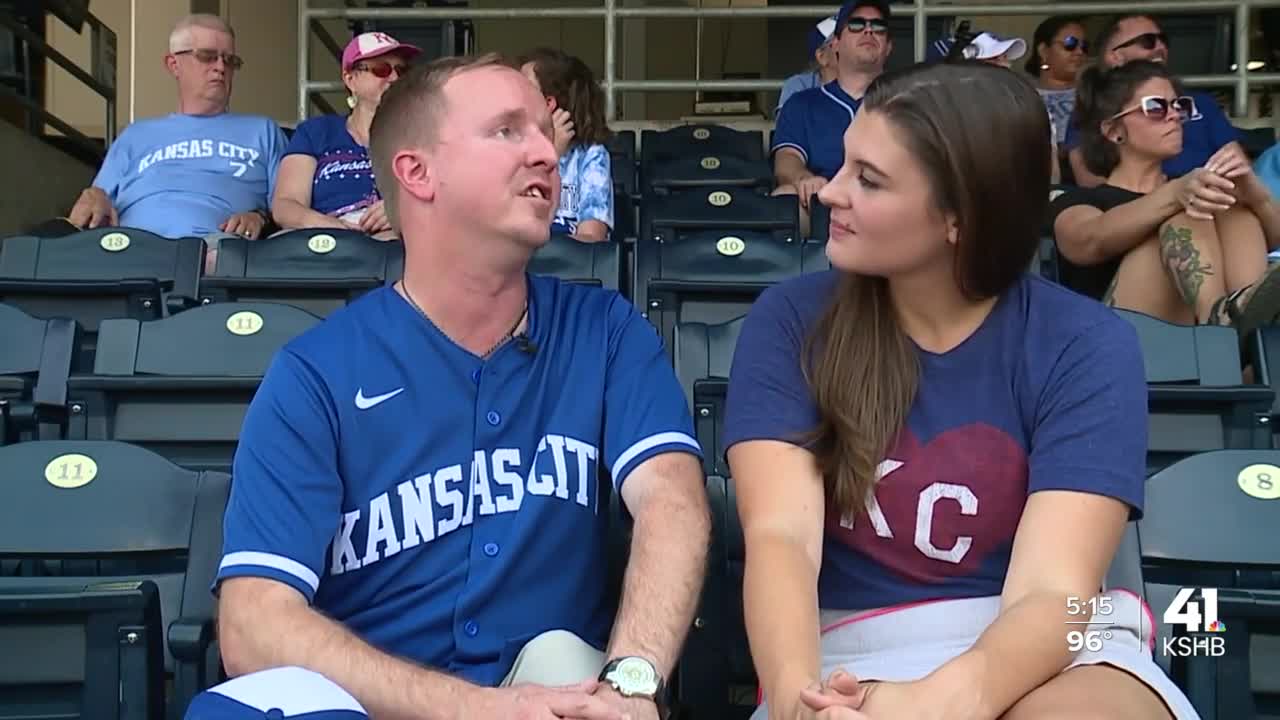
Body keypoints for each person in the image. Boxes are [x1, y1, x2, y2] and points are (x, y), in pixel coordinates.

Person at [188, 54, 710, 719]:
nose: (546, 153)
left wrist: (631, 683)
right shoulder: (315, 372)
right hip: (372, 699)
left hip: (551, 691)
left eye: (545, 133)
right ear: (417, 172)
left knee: (574, 670)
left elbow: (673, 503)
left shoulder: (606, 331)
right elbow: (253, 623)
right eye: (507, 131)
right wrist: (469, 708)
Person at [724, 61, 1198, 720]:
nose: (830, 192)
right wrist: (797, 699)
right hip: (846, 650)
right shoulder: (790, 321)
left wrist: (936, 703)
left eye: (869, 179)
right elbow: (781, 540)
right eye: (842, 166)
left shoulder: (1084, 343)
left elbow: (1054, 593)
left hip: (1049, 649)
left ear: (958, 216)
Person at [1050, 61, 1280, 330]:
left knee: (1231, 207)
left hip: (1198, 349)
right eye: (1156, 107)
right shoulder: (1079, 198)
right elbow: (1086, 242)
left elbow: (1273, 243)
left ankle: (1244, 334)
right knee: (1188, 212)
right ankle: (1220, 323)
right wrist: (1175, 194)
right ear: (1113, 131)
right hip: (1116, 347)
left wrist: (1257, 198)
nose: (1173, 116)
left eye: (1179, 106)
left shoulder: (1193, 189)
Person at [65, 14, 285, 249]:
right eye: (207, 57)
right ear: (173, 64)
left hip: (217, 252)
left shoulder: (263, 131)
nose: (220, 67)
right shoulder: (135, 135)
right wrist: (95, 194)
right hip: (130, 249)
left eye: (230, 61)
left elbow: (287, 208)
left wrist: (259, 218)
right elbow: (97, 201)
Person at [270, 32, 421, 240]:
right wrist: (332, 228)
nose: (394, 78)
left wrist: (401, 209)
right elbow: (285, 205)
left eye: (401, 70)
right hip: (324, 243)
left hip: (394, 245)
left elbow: (447, 195)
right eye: (381, 69)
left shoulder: (422, 134)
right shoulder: (316, 131)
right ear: (350, 79)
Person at [1067, 14, 1243, 188]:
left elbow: (1237, 165)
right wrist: (1168, 198)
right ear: (1116, 56)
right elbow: (1090, 182)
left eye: (1163, 40)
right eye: (1147, 41)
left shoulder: (1203, 102)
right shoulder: (1092, 106)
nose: (1160, 47)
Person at [771, 0, 892, 235]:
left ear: (888, 46)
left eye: (878, 26)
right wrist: (802, 177)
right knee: (785, 196)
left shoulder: (908, 101)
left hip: (888, 204)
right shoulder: (802, 103)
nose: (869, 30)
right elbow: (786, 158)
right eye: (856, 24)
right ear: (836, 44)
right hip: (823, 201)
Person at [519, 47, 614, 243]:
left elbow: (592, 237)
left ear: (548, 103)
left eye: (524, 88)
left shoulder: (591, 156)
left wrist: (551, 156)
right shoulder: (516, 150)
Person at [1025, 15, 1089, 150]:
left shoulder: (1093, 92)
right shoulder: (1021, 93)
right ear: (1043, 50)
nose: (1079, 52)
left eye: (1084, 46)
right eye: (1070, 44)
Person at [778, 16, 839, 113]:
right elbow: (787, 125)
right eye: (839, 41)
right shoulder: (799, 85)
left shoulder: (867, 83)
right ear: (821, 56)